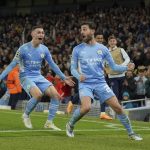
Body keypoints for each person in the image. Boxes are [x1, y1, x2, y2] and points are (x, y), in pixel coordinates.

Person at [66, 21, 142, 141]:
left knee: (118, 108)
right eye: (81, 30)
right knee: (86, 107)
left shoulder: (103, 49)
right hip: (85, 83)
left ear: (92, 31)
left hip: (100, 83)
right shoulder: (77, 49)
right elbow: (73, 68)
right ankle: (70, 124)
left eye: (84, 29)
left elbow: (113, 67)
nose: (82, 32)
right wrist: (78, 75)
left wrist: (126, 68)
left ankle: (131, 133)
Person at [0, 25, 74, 130]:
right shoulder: (23, 49)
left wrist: (63, 77)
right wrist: (1, 77)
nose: (41, 35)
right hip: (25, 76)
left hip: (38, 76)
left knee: (56, 96)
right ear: (32, 34)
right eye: (38, 32)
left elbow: (52, 64)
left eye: (43, 33)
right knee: (38, 95)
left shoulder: (44, 49)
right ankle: (26, 115)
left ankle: (49, 122)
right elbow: (12, 65)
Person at [105, 35, 130, 102]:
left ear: (116, 42)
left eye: (113, 41)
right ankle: (116, 109)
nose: (112, 42)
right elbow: (103, 62)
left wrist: (122, 66)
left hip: (121, 75)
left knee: (122, 93)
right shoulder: (106, 52)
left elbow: (127, 59)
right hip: (112, 76)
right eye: (110, 41)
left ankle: (121, 109)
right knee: (115, 93)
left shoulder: (121, 50)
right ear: (108, 42)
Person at [95, 33, 113, 120]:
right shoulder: (92, 48)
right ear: (95, 38)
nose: (100, 40)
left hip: (105, 75)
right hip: (94, 74)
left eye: (101, 38)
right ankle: (72, 102)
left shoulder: (104, 49)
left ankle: (102, 113)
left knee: (104, 94)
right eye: (98, 38)